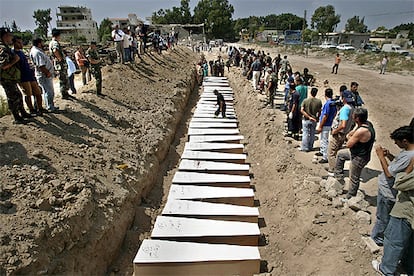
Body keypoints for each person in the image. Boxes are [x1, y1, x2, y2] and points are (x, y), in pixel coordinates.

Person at [371, 126, 414, 246]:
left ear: (405, 141)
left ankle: (377, 239)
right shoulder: (407, 152)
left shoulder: (410, 155)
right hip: (387, 189)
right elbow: (398, 165)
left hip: (388, 192)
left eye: (397, 141)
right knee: (383, 216)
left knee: (382, 217)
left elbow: (389, 174)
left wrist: (380, 157)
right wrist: (389, 156)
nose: (395, 143)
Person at [372, 157, 414, 276]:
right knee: (411, 243)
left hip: (406, 210)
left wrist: (410, 166)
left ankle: (386, 269)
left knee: (394, 241)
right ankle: (409, 267)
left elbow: (399, 183)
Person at [334, 107, 375, 199]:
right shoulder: (366, 124)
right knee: (340, 154)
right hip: (357, 153)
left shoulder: (362, 131)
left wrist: (349, 137)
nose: (352, 116)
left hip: (359, 157)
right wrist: (351, 135)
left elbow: (348, 144)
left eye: (353, 116)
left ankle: (351, 196)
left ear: (357, 118)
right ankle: (338, 176)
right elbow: (352, 133)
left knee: (354, 177)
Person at [0, 27, 32, 124]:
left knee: (18, 95)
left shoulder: (6, 47)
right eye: (10, 36)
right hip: (6, 78)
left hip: (11, 77)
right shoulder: (2, 48)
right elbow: (2, 66)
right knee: (13, 97)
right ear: (5, 36)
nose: (11, 38)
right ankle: (16, 117)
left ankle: (22, 113)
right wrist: (15, 60)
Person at [12, 36, 44, 115]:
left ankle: (40, 108)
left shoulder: (21, 52)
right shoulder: (12, 53)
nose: (21, 44)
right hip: (22, 77)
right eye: (19, 42)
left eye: (21, 42)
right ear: (14, 43)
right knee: (28, 94)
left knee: (38, 92)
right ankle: (31, 110)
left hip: (29, 75)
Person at [327, 91, 355, 175]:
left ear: (344, 98)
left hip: (338, 134)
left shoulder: (345, 108)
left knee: (331, 153)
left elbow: (343, 124)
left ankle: (333, 170)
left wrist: (335, 131)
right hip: (344, 134)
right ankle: (338, 168)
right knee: (337, 152)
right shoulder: (352, 108)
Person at [30, 38, 58, 112]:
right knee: (49, 91)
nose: (43, 44)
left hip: (44, 74)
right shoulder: (37, 52)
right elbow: (41, 65)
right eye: (42, 42)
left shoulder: (37, 51)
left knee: (47, 91)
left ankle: (49, 106)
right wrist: (47, 73)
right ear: (39, 43)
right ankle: (50, 107)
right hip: (44, 75)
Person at [316, 88, 337, 163]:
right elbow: (335, 113)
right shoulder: (333, 103)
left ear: (325, 95)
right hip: (329, 123)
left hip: (325, 124)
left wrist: (320, 126)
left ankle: (325, 156)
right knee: (323, 139)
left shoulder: (328, 104)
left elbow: (325, 115)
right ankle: (322, 151)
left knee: (324, 140)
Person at [49, 29, 70, 100]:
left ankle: (66, 93)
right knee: (63, 78)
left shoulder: (52, 42)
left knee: (64, 78)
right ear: (58, 35)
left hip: (60, 64)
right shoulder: (54, 43)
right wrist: (60, 58)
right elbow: (55, 50)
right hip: (60, 64)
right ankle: (64, 94)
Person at [300, 87, 322, 152]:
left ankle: (305, 147)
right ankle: (310, 146)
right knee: (312, 134)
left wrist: (308, 117)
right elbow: (320, 111)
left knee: (305, 133)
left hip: (306, 119)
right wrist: (318, 118)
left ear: (310, 92)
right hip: (314, 119)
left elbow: (302, 110)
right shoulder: (319, 101)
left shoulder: (305, 100)